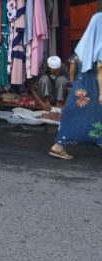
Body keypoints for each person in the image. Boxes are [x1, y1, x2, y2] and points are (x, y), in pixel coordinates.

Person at [49, 13, 102, 160]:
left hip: (81, 85)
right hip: (96, 85)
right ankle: (59, 146)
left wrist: (73, 82)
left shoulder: (86, 43)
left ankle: (59, 145)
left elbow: (73, 62)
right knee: (90, 114)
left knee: (75, 112)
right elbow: (101, 67)